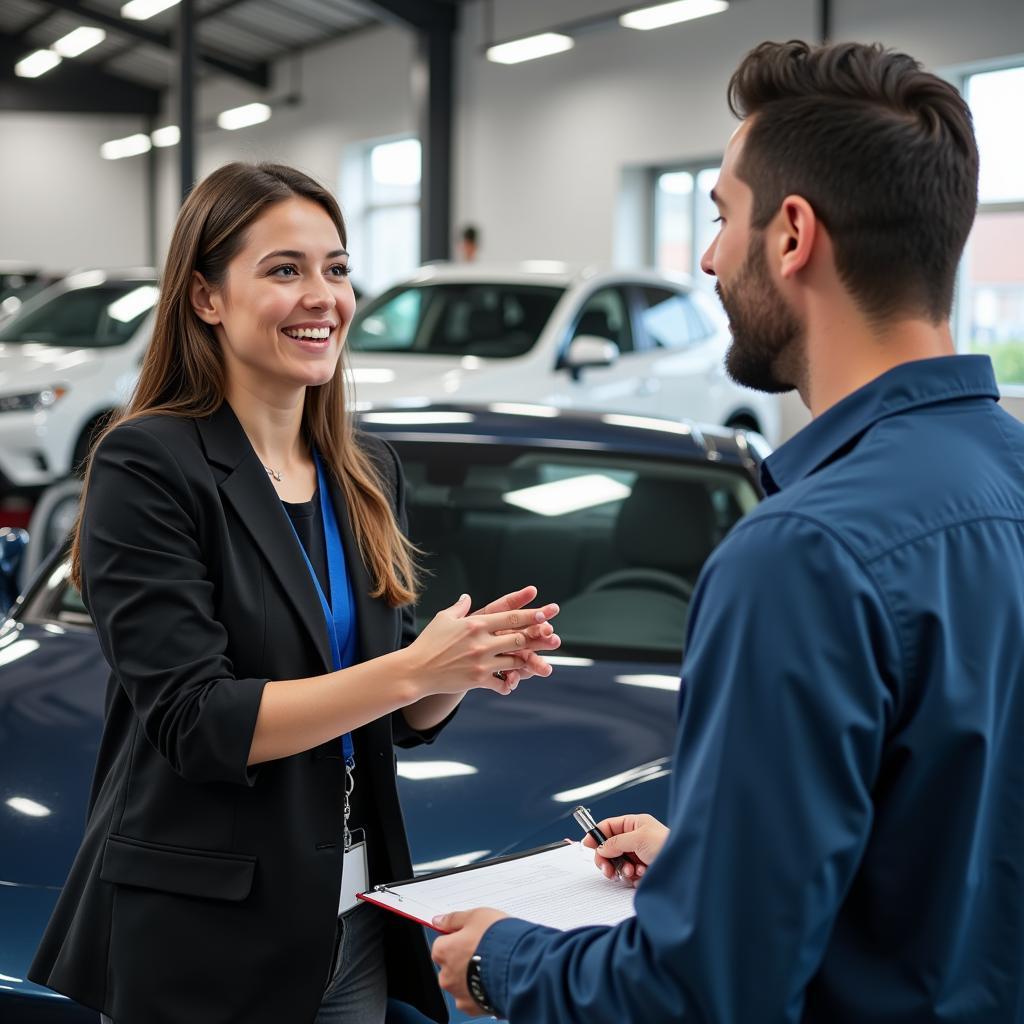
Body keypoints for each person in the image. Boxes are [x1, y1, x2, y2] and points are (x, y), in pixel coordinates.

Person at [432, 39, 1024, 1023]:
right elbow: (955, 858)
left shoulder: (801, 554)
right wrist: (721, 865)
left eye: (718, 215)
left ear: (791, 234)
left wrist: (505, 958)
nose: (707, 257)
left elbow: (704, 994)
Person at [28, 162, 561, 1024]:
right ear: (205, 296)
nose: (324, 297)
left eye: (337, 268)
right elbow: (199, 723)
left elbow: (381, 712)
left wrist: (451, 673)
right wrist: (409, 671)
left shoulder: (366, 470)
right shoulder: (148, 464)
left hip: (349, 917)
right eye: (285, 270)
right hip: (204, 931)